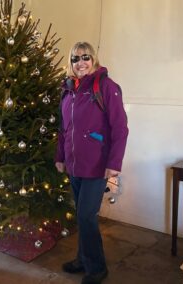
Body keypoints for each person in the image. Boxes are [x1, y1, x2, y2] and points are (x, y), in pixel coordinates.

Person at [55, 42, 128, 284]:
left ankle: (97, 267)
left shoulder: (106, 86)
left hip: (97, 165)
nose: (81, 63)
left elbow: (120, 128)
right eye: (76, 59)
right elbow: (63, 129)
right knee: (81, 214)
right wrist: (60, 156)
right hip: (74, 165)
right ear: (71, 63)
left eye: (86, 57)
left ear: (93, 59)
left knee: (87, 216)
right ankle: (83, 259)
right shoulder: (68, 90)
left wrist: (114, 163)